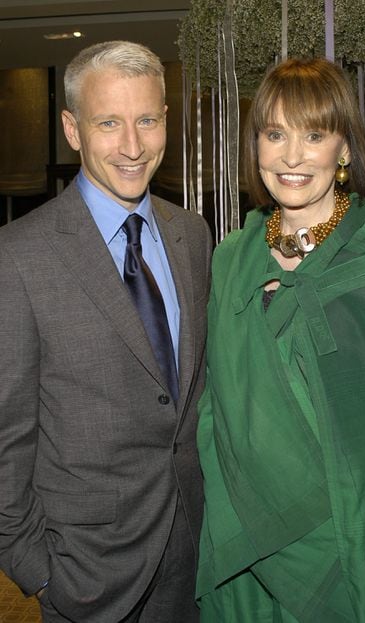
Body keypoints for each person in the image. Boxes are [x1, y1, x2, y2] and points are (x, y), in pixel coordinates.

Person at [0, 40, 212, 623]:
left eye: (147, 120)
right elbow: (6, 437)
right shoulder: (17, 257)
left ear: (166, 119)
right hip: (84, 574)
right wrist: (35, 570)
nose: (133, 146)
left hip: (195, 556)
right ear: (71, 129)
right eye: (109, 123)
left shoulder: (192, 236)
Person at [196, 57, 365, 622]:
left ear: (343, 150)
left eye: (314, 134)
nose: (292, 157)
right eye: (275, 134)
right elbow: (216, 407)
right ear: (257, 146)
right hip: (247, 537)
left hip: (344, 543)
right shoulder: (229, 261)